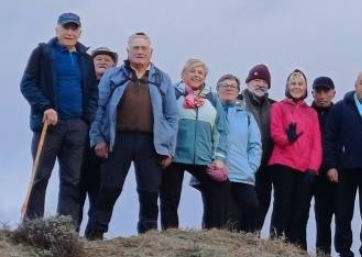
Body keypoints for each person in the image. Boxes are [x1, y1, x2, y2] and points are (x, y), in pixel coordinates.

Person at [85, 32, 179, 238]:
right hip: (118, 139)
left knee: (150, 190)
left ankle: (149, 236)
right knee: (109, 188)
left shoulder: (162, 78)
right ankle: (94, 234)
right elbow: (99, 109)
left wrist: (168, 148)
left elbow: (172, 117)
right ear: (127, 51)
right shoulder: (113, 75)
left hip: (151, 142)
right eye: (135, 48)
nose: (139, 52)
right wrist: (98, 139)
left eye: (143, 48)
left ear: (151, 52)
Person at [19, 12, 98, 224]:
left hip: (77, 126)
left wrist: (86, 119)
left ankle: (66, 229)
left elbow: (93, 92)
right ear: (57, 30)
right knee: (41, 175)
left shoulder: (85, 59)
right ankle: (32, 225)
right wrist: (46, 107)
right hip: (49, 124)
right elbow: (27, 84)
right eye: (66, 28)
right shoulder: (43, 53)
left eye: (74, 28)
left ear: (79, 31)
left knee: (72, 179)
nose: (70, 32)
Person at [323, 71, 362, 257]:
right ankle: (344, 256)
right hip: (345, 169)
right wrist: (331, 165)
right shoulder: (341, 108)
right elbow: (329, 139)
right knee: (343, 214)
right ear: (355, 86)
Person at [160, 58, 229, 230]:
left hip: (203, 157)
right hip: (174, 155)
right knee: (170, 195)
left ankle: (214, 231)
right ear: (183, 74)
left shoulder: (213, 98)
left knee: (220, 187)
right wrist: (163, 150)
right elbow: (162, 122)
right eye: (193, 71)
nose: (197, 75)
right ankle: (170, 232)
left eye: (200, 72)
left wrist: (218, 158)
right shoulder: (172, 93)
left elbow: (221, 130)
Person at [269, 70, 322, 249]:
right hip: (282, 163)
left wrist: (313, 168)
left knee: (301, 209)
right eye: (293, 83)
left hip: (305, 168)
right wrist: (287, 138)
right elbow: (275, 133)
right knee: (283, 204)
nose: (297, 87)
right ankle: (276, 244)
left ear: (306, 88)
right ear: (287, 87)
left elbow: (316, 144)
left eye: (300, 84)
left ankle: (297, 247)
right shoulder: (278, 107)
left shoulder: (311, 113)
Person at [75, 47, 118, 230]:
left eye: (108, 60)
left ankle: (94, 235)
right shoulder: (81, 84)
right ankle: (69, 232)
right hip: (79, 147)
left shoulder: (118, 89)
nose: (103, 62)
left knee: (101, 193)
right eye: (99, 59)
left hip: (106, 149)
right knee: (75, 192)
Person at [214, 74, 262, 232]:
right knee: (219, 214)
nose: (228, 88)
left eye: (232, 86)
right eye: (224, 85)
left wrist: (250, 166)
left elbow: (255, 144)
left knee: (252, 207)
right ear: (217, 89)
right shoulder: (210, 111)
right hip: (217, 172)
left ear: (238, 91)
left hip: (242, 172)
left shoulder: (246, 116)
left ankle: (246, 244)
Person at [240, 64, 277, 232]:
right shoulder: (238, 101)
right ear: (248, 83)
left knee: (263, 202)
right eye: (256, 80)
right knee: (244, 204)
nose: (260, 84)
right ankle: (237, 236)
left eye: (264, 81)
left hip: (266, 166)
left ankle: (253, 237)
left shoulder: (275, 106)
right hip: (243, 164)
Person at [310, 76, 338, 257]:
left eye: (325, 91)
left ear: (333, 93)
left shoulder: (340, 113)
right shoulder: (306, 112)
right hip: (310, 171)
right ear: (312, 93)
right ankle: (321, 255)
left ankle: (340, 256)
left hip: (334, 172)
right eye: (318, 91)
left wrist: (334, 166)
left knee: (339, 215)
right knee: (319, 216)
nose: (322, 95)